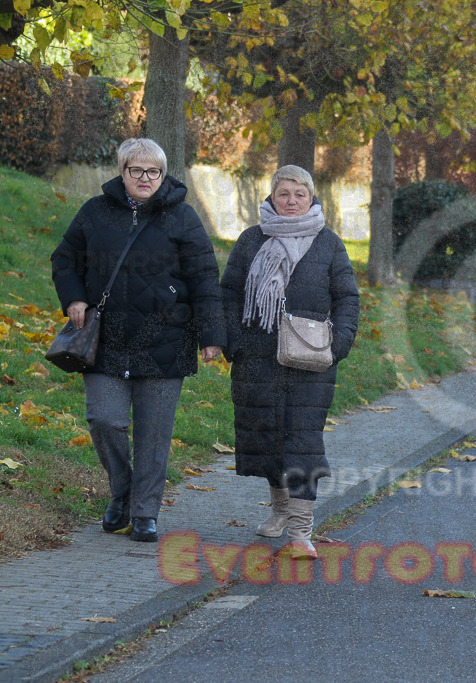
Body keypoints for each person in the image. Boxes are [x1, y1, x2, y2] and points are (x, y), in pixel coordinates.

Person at [50, 138, 225, 543]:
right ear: (122, 171)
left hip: (167, 341)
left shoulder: (183, 217)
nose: (145, 178)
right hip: (105, 341)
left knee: (154, 434)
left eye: (154, 172)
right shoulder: (94, 213)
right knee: (104, 419)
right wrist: (74, 296)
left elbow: (204, 279)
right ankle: (122, 491)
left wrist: (212, 335)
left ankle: (145, 513)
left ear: (163, 175)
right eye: (136, 170)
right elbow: (65, 258)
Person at [220, 165, 359, 558]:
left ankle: (301, 532)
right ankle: (280, 511)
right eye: (284, 193)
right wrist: (233, 343)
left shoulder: (328, 243)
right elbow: (228, 294)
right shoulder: (251, 240)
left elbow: (348, 297)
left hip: (311, 361)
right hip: (257, 357)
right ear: (272, 198)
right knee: (266, 437)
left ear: (311, 198)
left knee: (303, 441)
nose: (292, 201)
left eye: (300, 194)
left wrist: (340, 343)